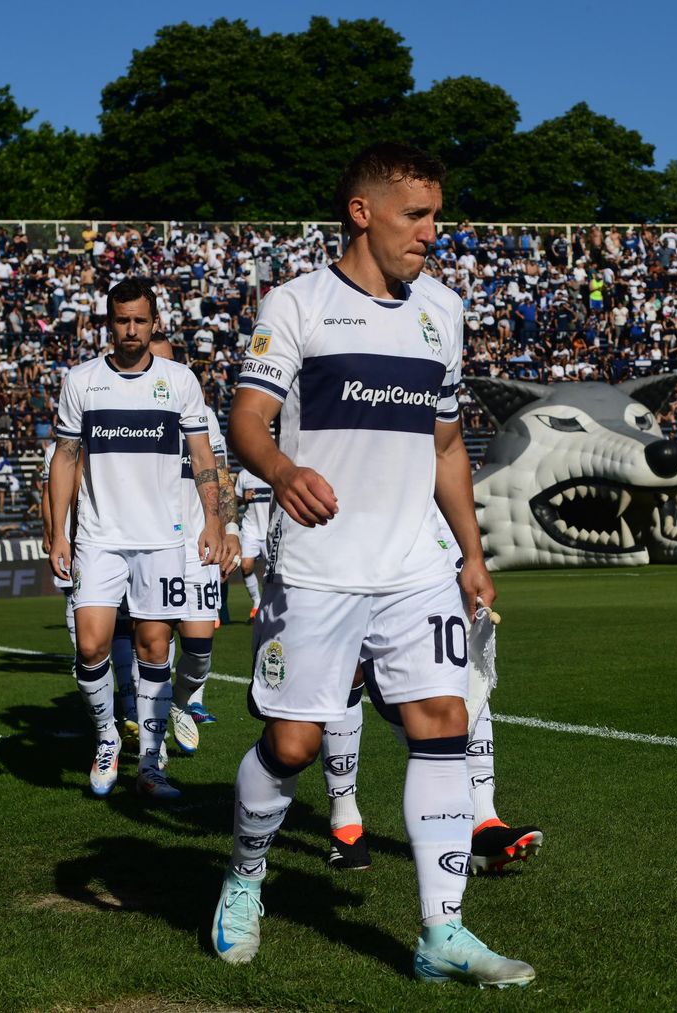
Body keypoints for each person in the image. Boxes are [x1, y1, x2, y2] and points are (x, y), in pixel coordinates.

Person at [212, 143, 533, 987]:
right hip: (317, 568)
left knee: (442, 722)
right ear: (362, 212)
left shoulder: (442, 313)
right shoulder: (298, 305)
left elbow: (448, 443)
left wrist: (471, 552)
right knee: (292, 741)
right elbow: (247, 416)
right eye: (415, 215)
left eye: (437, 215)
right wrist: (281, 472)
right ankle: (246, 877)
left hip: (413, 566)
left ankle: (443, 930)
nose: (434, 233)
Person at [47, 277, 224, 802]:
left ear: (154, 323)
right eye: (121, 321)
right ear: (109, 323)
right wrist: (59, 530)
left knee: (154, 646)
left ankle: (152, 760)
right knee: (90, 644)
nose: (130, 330)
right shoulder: (81, 381)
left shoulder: (180, 380)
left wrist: (214, 523)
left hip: (162, 541)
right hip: (98, 538)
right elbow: (65, 458)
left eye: (139, 321)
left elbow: (204, 457)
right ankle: (107, 739)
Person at [321, 511, 542, 876]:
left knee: (464, 657)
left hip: (425, 522)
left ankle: (483, 821)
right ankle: (345, 823)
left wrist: (472, 557)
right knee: (346, 671)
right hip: (346, 520)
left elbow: (447, 454)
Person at [149, 337, 241, 751]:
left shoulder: (202, 413)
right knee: (153, 644)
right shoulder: (132, 408)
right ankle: (154, 745)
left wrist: (229, 528)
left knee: (200, 650)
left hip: (195, 543)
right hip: (149, 542)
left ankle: (180, 703)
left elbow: (219, 473)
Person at [41, 438, 140, 754]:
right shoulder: (58, 451)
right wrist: (54, 533)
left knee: (128, 627)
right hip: (78, 547)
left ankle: (132, 710)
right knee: (86, 643)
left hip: (119, 543)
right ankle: (107, 723)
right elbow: (48, 493)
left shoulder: (118, 435)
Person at [233, 467, 273, 619]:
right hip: (251, 529)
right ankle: (257, 601)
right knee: (245, 565)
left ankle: (270, 604)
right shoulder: (244, 475)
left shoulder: (272, 470)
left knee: (273, 573)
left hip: (271, 530)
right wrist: (243, 498)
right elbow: (234, 501)